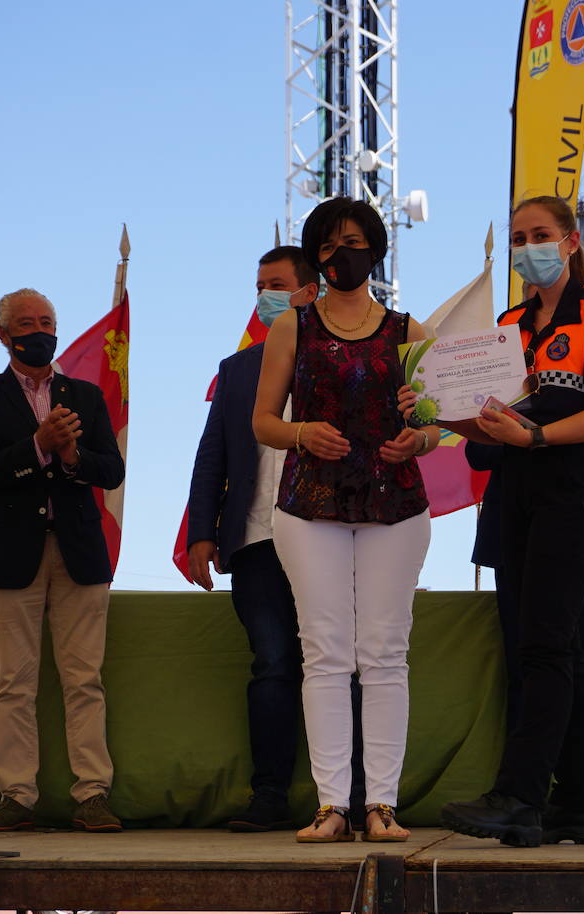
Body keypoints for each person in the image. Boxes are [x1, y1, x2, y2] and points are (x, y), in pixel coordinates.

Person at [437, 195, 584, 847]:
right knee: (565, 652)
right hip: (516, 494)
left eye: (541, 235)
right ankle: (582, 803)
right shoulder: (506, 325)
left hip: (575, 491)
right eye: (519, 236)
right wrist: (432, 412)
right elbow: (486, 423)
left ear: (570, 243)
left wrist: (535, 439)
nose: (528, 246)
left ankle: (521, 796)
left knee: (546, 647)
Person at [252, 197, 435, 843]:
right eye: (328, 246)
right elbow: (263, 421)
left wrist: (419, 438)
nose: (341, 255)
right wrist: (301, 431)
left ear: (377, 250)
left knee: (385, 655)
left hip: (396, 507)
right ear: (316, 257)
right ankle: (333, 806)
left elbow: (435, 425)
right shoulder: (291, 328)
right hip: (311, 507)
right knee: (324, 654)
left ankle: (381, 805)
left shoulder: (411, 331)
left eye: (353, 243)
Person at [0, 287, 125, 832]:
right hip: (10, 554)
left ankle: (93, 794)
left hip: (78, 551)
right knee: (13, 682)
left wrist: (72, 454)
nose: (39, 331)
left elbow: (111, 471)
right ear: (4, 336)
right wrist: (38, 444)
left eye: (47, 321)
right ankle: (16, 797)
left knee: (84, 680)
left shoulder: (86, 395)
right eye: (26, 323)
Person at [185, 246, 320, 831]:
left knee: (336, 666)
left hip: (326, 534)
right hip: (255, 539)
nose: (264, 295)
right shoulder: (237, 369)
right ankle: (268, 796)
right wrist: (200, 533)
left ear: (308, 293)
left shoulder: (338, 359)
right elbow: (210, 456)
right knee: (272, 665)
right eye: (259, 285)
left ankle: (352, 796)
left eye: (277, 285)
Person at [467, 394, 584, 832]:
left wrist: (536, 436)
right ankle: (529, 800)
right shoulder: (501, 380)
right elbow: (478, 450)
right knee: (530, 667)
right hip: (515, 536)